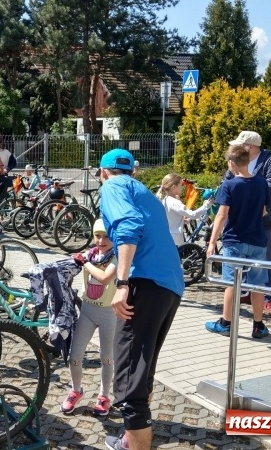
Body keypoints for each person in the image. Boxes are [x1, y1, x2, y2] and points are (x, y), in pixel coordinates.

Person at [97, 149, 184, 450]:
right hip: (170, 285)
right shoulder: (143, 191)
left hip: (145, 283)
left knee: (129, 372)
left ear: (103, 172)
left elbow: (128, 227)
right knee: (143, 365)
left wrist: (121, 283)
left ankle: (135, 446)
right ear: (132, 171)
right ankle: (132, 438)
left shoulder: (112, 186)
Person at [205, 143, 271, 339]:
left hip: (235, 240)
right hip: (258, 239)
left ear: (231, 163)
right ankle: (258, 325)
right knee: (257, 284)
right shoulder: (261, 183)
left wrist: (211, 242)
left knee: (232, 283)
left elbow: (221, 215)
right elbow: (264, 211)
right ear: (248, 161)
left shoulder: (229, 185)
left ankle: (226, 323)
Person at [61, 219, 118, 417]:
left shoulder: (116, 257)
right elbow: (70, 262)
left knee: (106, 358)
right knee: (75, 356)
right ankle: (76, 390)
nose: (101, 240)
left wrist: (83, 262)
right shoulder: (91, 254)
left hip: (109, 314)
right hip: (87, 310)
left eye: (106, 236)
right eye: (97, 236)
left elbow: (104, 278)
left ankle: (103, 396)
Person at [225, 130, 271, 316]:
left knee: (265, 259)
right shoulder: (237, 161)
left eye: (240, 145)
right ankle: (245, 292)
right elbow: (227, 181)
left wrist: (252, 185)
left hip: (264, 221)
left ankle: (267, 299)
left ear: (250, 147)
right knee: (241, 258)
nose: (236, 148)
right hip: (241, 220)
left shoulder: (268, 161)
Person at [156, 173, 211, 246]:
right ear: (174, 187)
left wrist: (180, 220)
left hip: (168, 236)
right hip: (175, 239)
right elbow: (193, 214)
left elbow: (170, 217)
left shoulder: (165, 200)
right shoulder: (175, 202)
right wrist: (207, 204)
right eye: (181, 185)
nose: (182, 187)